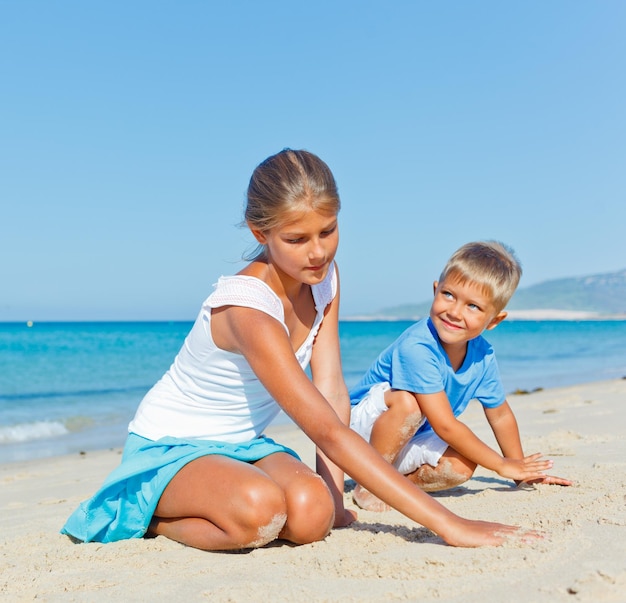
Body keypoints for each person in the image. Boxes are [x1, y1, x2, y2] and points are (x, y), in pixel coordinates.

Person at [62, 151, 540, 551]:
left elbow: (331, 388)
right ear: (259, 233)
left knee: (313, 518)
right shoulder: (248, 310)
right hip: (171, 446)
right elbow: (330, 432)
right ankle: (150, 516)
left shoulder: (324, 279)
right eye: (296, 239)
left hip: (241, 447)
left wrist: (334, 498)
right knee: (259, 511)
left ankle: (261, 498)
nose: (317, 253)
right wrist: (449, 525)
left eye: (327, 231)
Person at [349, 240, 573, 512]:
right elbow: (444, 426)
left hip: (410, 437)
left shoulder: (482, 354)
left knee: (462, 465)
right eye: (448, 295)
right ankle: (371, 485)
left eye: (473, 307)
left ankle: (394, 484)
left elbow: (499, 414)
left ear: (494, 321)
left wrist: (519, 471)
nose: (454, 312)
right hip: (361, 430)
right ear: (435, 290)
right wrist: (500, 465)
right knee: (410, 403)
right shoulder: (417, 347)